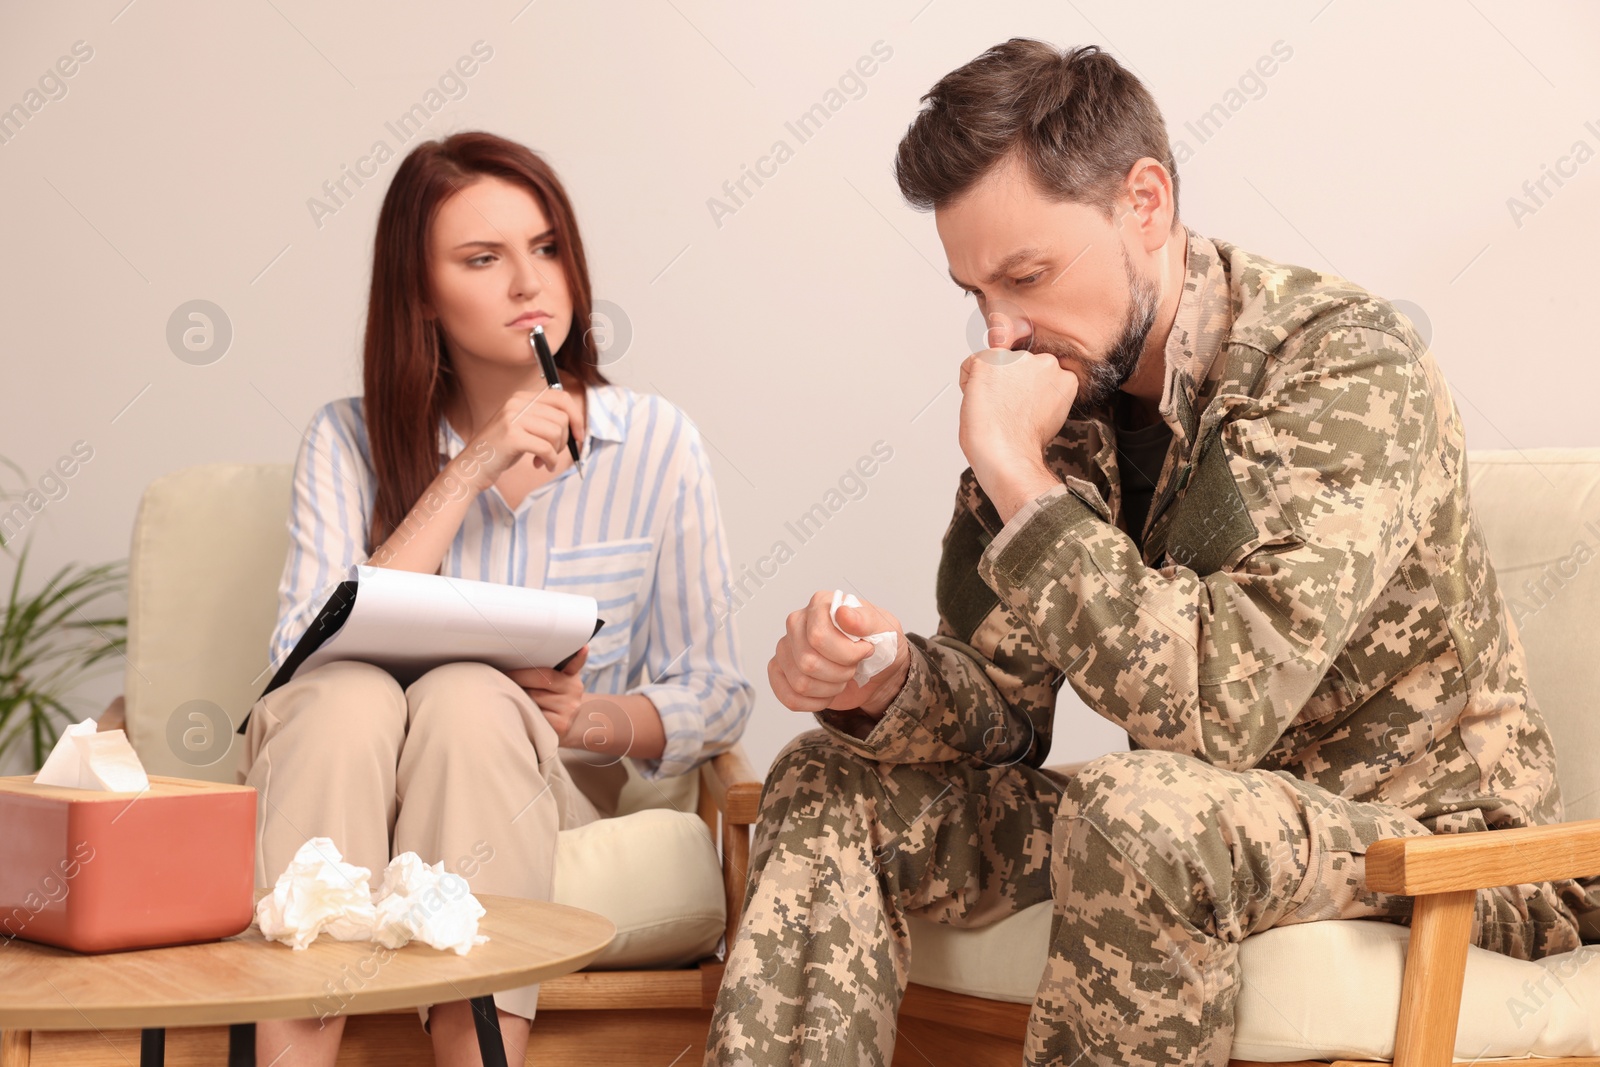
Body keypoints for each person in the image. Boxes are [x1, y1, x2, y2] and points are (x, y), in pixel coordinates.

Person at [703, 39, 1600, 1067]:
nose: (1003, 331)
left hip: (1438, 846)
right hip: (1209, 825)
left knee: (1139, 811)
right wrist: (882, 680)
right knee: (825, 776)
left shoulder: (1343, 364)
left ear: (1144, 202)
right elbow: (1002, 708)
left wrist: (1014, 473)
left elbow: (1220, 704)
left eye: (1027, 275)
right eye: (974, 291)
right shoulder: (1065, 387)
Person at [236, 130, 754, 1067]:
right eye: (484, 258)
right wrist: (472, 466)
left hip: (537, 787)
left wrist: (594, 719)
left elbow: (716, 689)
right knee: (343, 695)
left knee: (473, 698)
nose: (530, 284)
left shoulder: (658, 444)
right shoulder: (344, 441)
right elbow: (295, 658)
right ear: (422, 295)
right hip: (343, 771)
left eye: (546, 247)